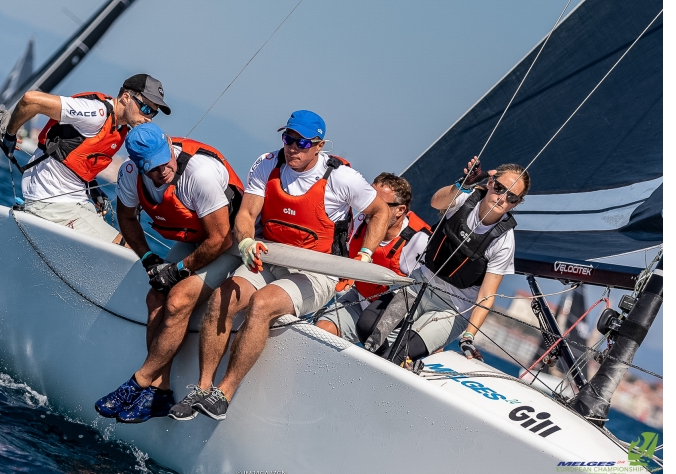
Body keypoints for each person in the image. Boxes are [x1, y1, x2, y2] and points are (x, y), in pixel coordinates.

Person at [167, 110, 390, 422]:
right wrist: (244, 241)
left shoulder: (342, 178)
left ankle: (224, 394)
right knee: (222, 298)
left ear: (319, 145)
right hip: (269, 257)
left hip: (316, 272)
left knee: (261, 304)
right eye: (288, 139)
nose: (293, 148)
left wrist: (365, 255)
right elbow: (246, 214)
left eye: (302, 142)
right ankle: (202, 389)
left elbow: (380, 211)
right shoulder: (267, 163)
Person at [93, 123, 245, 423]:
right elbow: (127, 218)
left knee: (177, 300)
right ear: (137, 165)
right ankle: (160, 392)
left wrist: (177, 270)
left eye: (165, 162)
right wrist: (149, 259)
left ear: (168, 145)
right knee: (155, 298)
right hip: (194, 239)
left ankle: (138, 382)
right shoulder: (130, 176)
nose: (162, 171)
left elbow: (220, 239)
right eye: (152, 168)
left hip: (230, 242)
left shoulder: (198, 174)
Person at [385, 157, 530, 365]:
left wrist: (469, 336)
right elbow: (436, 202)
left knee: (400, 352)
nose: (502, 198)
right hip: (421, 284)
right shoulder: (466, 198)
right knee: (369, 328)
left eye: (512, 198)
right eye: (499, 188)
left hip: (453, 307)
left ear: (518, 203)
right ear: (490, 183)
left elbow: (486, 296)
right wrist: (462, 183)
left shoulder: (504, 241)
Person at [2, 74, 171, 244]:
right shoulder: (96, 113)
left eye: (154, 114)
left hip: (73, 202)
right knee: (132, 252)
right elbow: (31, 100)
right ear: (126, 98)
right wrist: (10, 134)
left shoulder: (120, 128)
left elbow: (74, 158)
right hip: (53, 202)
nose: (149, 118)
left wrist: (92, 189)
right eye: (146, 109)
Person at [314, 173, 431, 344]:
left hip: (393, 312)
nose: (371, 208)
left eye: (381, 204)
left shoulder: (418, 241)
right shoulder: (363, 218)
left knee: (374, 346)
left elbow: (422, 293)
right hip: (360, 297)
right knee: (321, 331)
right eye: (369, 199)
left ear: (400, 210)